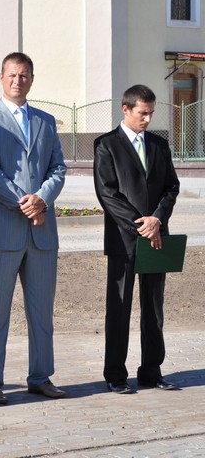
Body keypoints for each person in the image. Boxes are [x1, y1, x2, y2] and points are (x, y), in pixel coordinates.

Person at [0, 52, 67, 405]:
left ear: (32, 79)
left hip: (42, 232)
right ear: (1, 77)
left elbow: (58, 168)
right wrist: (25, 203)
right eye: (12, 74)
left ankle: (40, 376)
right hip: (2, 229)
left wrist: (42, 199)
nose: (17, 80)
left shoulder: (46, 121)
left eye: (24, 75)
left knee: (41, 311)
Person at [93, 84, 181, 394]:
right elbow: (107, 193)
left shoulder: (159, 144)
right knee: (119, 308)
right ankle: (116, 374)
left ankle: (151, 371)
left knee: (154, 307)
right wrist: (140, 225)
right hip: (124, 240)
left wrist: (157, 219)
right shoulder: (106, 145)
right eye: (143, 113)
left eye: (151, 113)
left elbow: (171, 186)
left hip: (156, 237)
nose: (148, 119)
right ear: (126, 109)